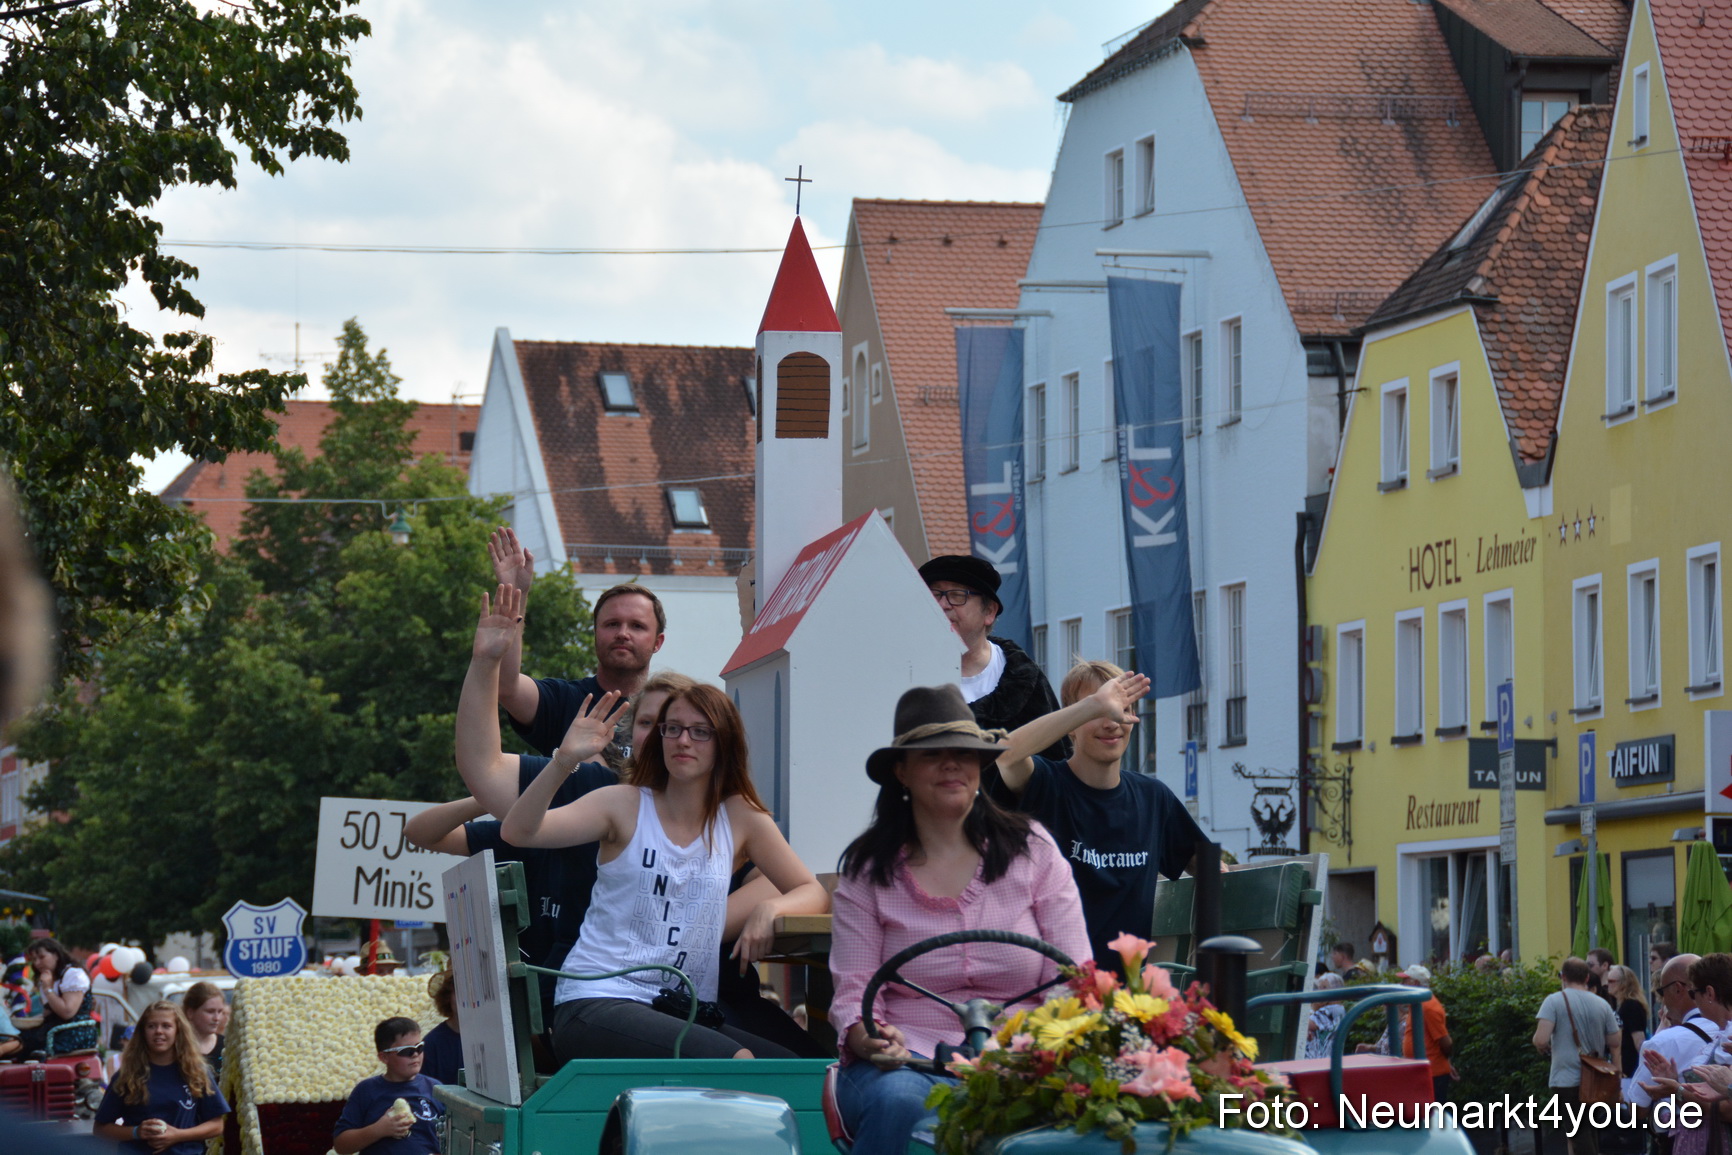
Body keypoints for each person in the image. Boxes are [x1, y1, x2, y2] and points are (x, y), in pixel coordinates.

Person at [500, 668, 828, 1061]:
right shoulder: (623, 804)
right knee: (739, 1062)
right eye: (672, 729)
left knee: (803, 1071)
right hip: (596, 1003)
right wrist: (564, 760)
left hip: (677, 1011)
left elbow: (812, 891)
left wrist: (770, 908)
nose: (683, 740)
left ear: (724, 743)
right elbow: (519, 832)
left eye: (699, 731)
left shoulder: (740, 816)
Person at [830, 684, 1092, 1155]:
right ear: (901, 772)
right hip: (907, 1061)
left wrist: (1031, 1052)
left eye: (965, 753)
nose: (952, 764)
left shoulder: (1033, 850)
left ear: (980, 766)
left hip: (1025, 1055)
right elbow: (855, 991)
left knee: (1088, 1104)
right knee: (900, 1101)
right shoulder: (867, 870)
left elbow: (1074, 977)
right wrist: (871, 1039)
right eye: (934, 754)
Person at [990, 660, 1203, 972]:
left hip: (1122, 1003)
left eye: (1121, 709)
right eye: (1098, 711)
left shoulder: (1154, 798)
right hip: (1050, 994)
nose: (1111, 722)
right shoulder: (1045, 783)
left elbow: (1211, 869)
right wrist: (1093, 704)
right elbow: (1006, 754)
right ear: (1071, 723)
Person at [488, 526, 665, 760]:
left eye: (637, 626)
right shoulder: (563, 701)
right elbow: (507, 687)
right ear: (595, 633)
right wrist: (517, 595)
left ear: (657, 642)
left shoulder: (674, 713)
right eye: (612, 624)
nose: (623, 633)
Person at [917, 555, 1067, 761]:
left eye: (956, 595)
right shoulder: (907, 673)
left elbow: (1056, 764)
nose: (943, 604)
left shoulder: (1025, 679)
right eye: (934, 595)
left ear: (989, 611)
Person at [92, 1001, 227, 1154]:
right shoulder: (126, 1075)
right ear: (143, 1032)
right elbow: (100, 1128)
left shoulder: (196, 1072)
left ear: (178, 1031)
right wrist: (136, 1132)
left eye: (166, 1026)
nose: (158, 1031)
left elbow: (217, 1125)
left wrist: (178, 1136)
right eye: (151, 1026)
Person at [1638, 954, 1732, 1155]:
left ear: (1709, 993)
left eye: (1693, 993)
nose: (1693, 1001)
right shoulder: (1722, 1034)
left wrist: (1676, 1090)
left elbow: (1727, 1110)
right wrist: (1674, 1083)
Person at [1534, 957, 1622, 1155]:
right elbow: (1615, 1042)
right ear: (1587, 977)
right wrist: (1617, 1077)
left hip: (1567, 1078)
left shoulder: (1554, 1000)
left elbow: (1541, 1039)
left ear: (1563, 976)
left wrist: (1543, 1046)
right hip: (1596, 1078)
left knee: (1577, 1133)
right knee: (1589, 1129)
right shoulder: (1602, 1004)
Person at [332, 1017, 442, 1155]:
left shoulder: (436, 1089)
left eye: (420, 1047)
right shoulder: (366, 1090)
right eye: (406, 1050)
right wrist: (379, 1129)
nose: (415, 1054)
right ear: (384, 1057)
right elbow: (341, 1145)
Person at [17, 937, 95, 1057]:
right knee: (18, 1037)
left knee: (26, 1045)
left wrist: (48, 989)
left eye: (42, 957)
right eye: (34, 959)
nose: (37, 963)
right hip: (54, 1029)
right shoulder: (47, 979)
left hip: (74, 1032)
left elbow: (67, 1012)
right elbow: (49, 1013)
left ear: (56, 955)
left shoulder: (73, 974)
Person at [1606, 964, 1648, 1102]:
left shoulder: (1631, 1006)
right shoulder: (1621, 1004)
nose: (1608, 984)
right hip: (1625, 1067)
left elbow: (1639, 1040)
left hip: (1628, 1069)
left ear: (1624, 984)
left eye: (1612, 981)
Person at [179, 982, 229, 1083]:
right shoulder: (177, 1046)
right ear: (190, 1013)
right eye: (210, 1011)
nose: (216, 1018)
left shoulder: (226, 1046)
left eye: (220, 1012)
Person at [420, 971, 462, 1086]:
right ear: (447, 996)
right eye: (460, 992)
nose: (466, 1000)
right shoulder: (432, 1043)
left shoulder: (495, 1037)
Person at [1305, 972, 1346, 1060]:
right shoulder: (1326, 1009)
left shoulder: (1334, 1010)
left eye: (1324, 987)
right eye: (1319, 988)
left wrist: (1312, 1008)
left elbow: (1304, 1024)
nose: (1320, 991)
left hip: (1321, 1062)